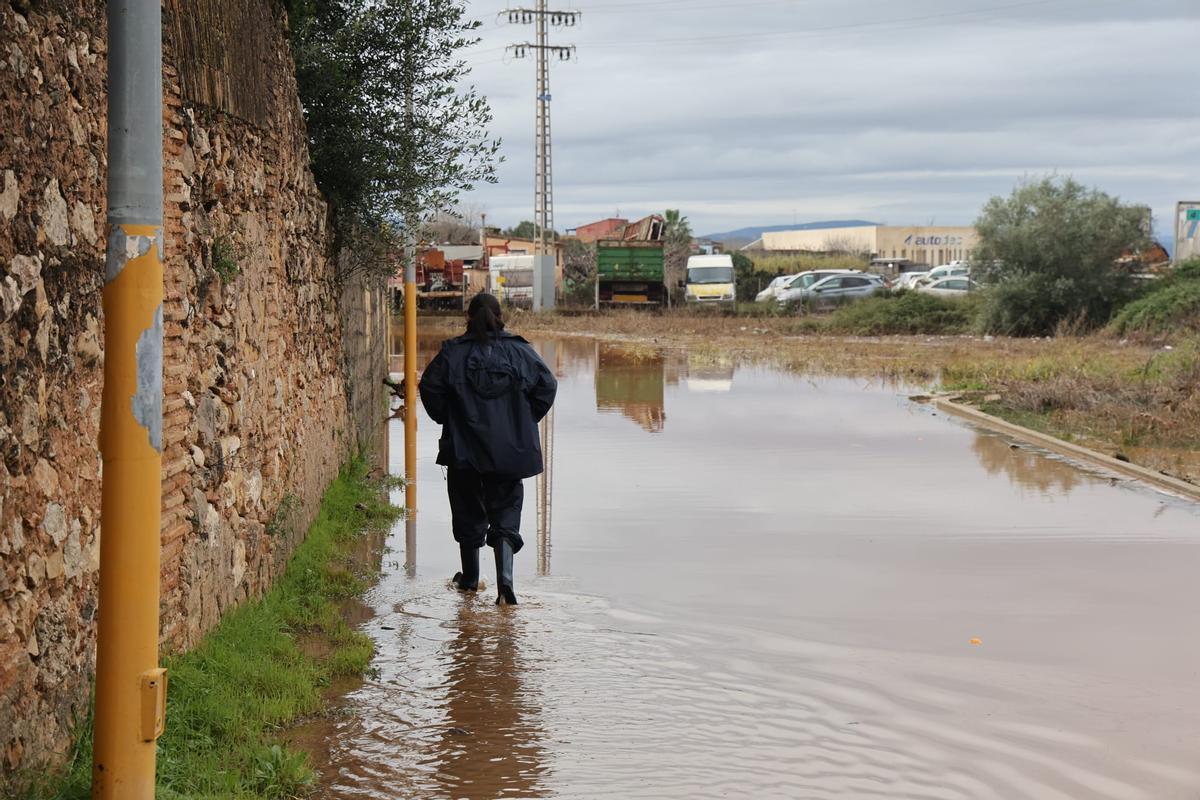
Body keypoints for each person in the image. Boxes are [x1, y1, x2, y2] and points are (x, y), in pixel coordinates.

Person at [418, 293, 557, 605]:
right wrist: (521, 421)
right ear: (500, 316)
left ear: (468, 318)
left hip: (464, 452)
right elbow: (547, 386)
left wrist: (449, 419)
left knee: (467, 511)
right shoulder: (522, 351)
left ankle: (469, 580)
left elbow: (429, 387)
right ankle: (505, 583)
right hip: (509, 453)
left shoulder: (452, 354)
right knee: (506, 511)